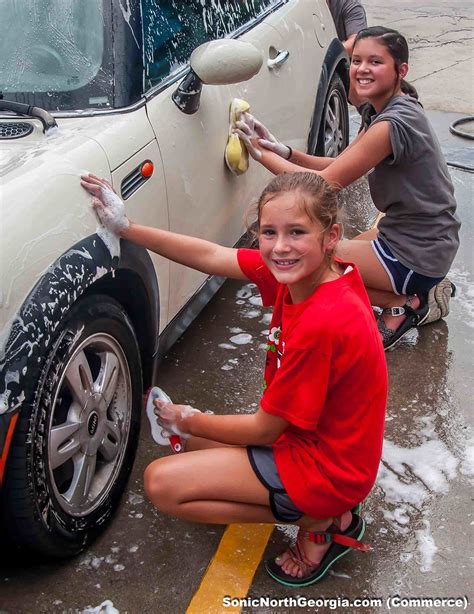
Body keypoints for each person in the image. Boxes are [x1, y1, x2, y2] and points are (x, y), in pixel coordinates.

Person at [81, 170, 387, 586]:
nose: (280, 247)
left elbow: (263, 429)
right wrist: (128, 227)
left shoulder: (324, 321)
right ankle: (321, 508)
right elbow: (211, 256)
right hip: (314, 441)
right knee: (189, 446)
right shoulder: (310, 273)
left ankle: (322, 520)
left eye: (296, 232)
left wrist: (183, 418)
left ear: (330, 236)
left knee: (163, 485)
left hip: (328, 468)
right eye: (269, 232)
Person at [235, 26, 460, 351]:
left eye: (375, 61)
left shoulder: (391, 125)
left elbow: (323, 185)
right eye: (356, 61)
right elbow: (339, 165)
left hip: (421, 249)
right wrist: (281, 149)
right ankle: (409, 296)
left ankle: (403, 305)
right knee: (332, 260)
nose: (362, 69)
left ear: (401, 70)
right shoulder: (384, 109)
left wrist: (261, 155)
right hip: (412, 233)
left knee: (311, 263)